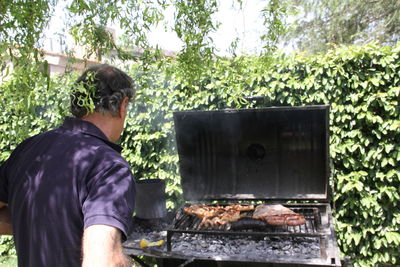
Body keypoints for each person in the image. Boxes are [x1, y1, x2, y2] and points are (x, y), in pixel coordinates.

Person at [0, 64, 136, 267]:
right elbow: (103, 261)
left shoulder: (28, 149)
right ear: (123, 106)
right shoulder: (110, 167)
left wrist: (36, 221)